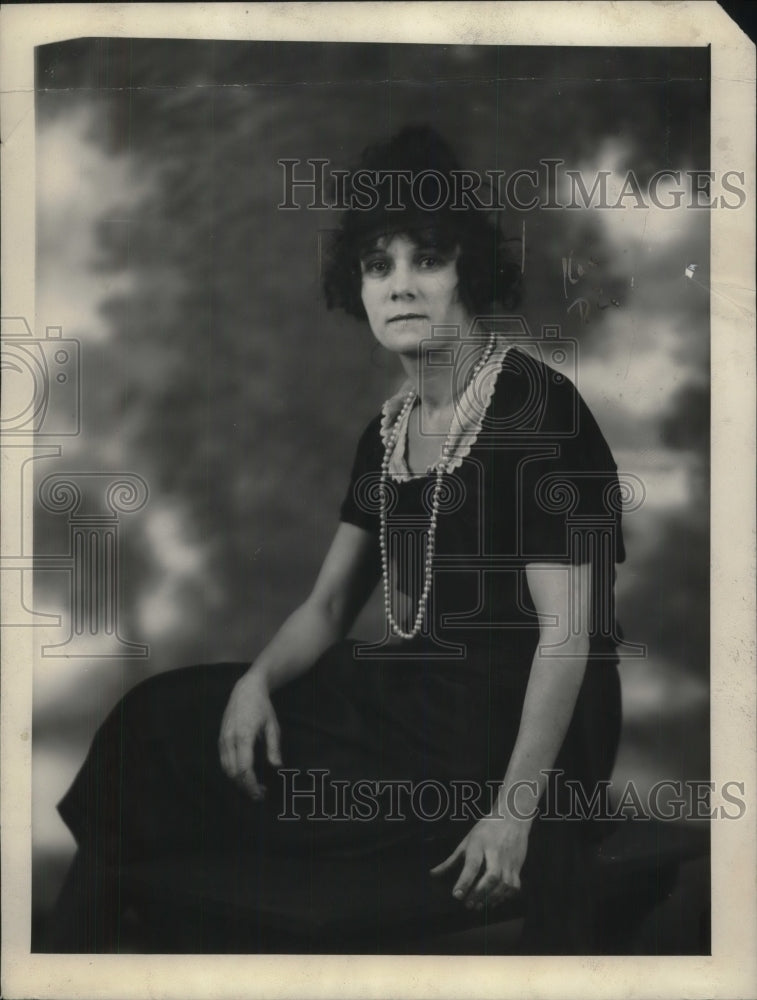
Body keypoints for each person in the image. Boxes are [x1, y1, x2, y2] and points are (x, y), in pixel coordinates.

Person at [45, 125, 624, 954]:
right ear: (356, 287)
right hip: (417, 698)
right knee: (158, 721)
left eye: (426, 259)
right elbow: (324, 607)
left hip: (521, 729)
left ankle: (87, 952)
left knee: (217, 785)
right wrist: (254, 681)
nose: (399, 286)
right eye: (377, 265)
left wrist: (511, 812)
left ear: (469, 270)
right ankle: (85, 957)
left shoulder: (540, 412)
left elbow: (567, 635)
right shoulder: (387, 432)